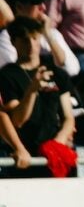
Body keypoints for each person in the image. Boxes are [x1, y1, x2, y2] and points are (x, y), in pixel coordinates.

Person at [0, 16, 75, 168]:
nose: (31, 45)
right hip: (26, 156)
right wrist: (32, 90)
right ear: (14, 42)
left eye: (35, 39)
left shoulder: (57, 73)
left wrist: (57, 143)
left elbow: (68, 117)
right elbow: (18, 120)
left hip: (54, 153)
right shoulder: (7, 75)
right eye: (25, 40)